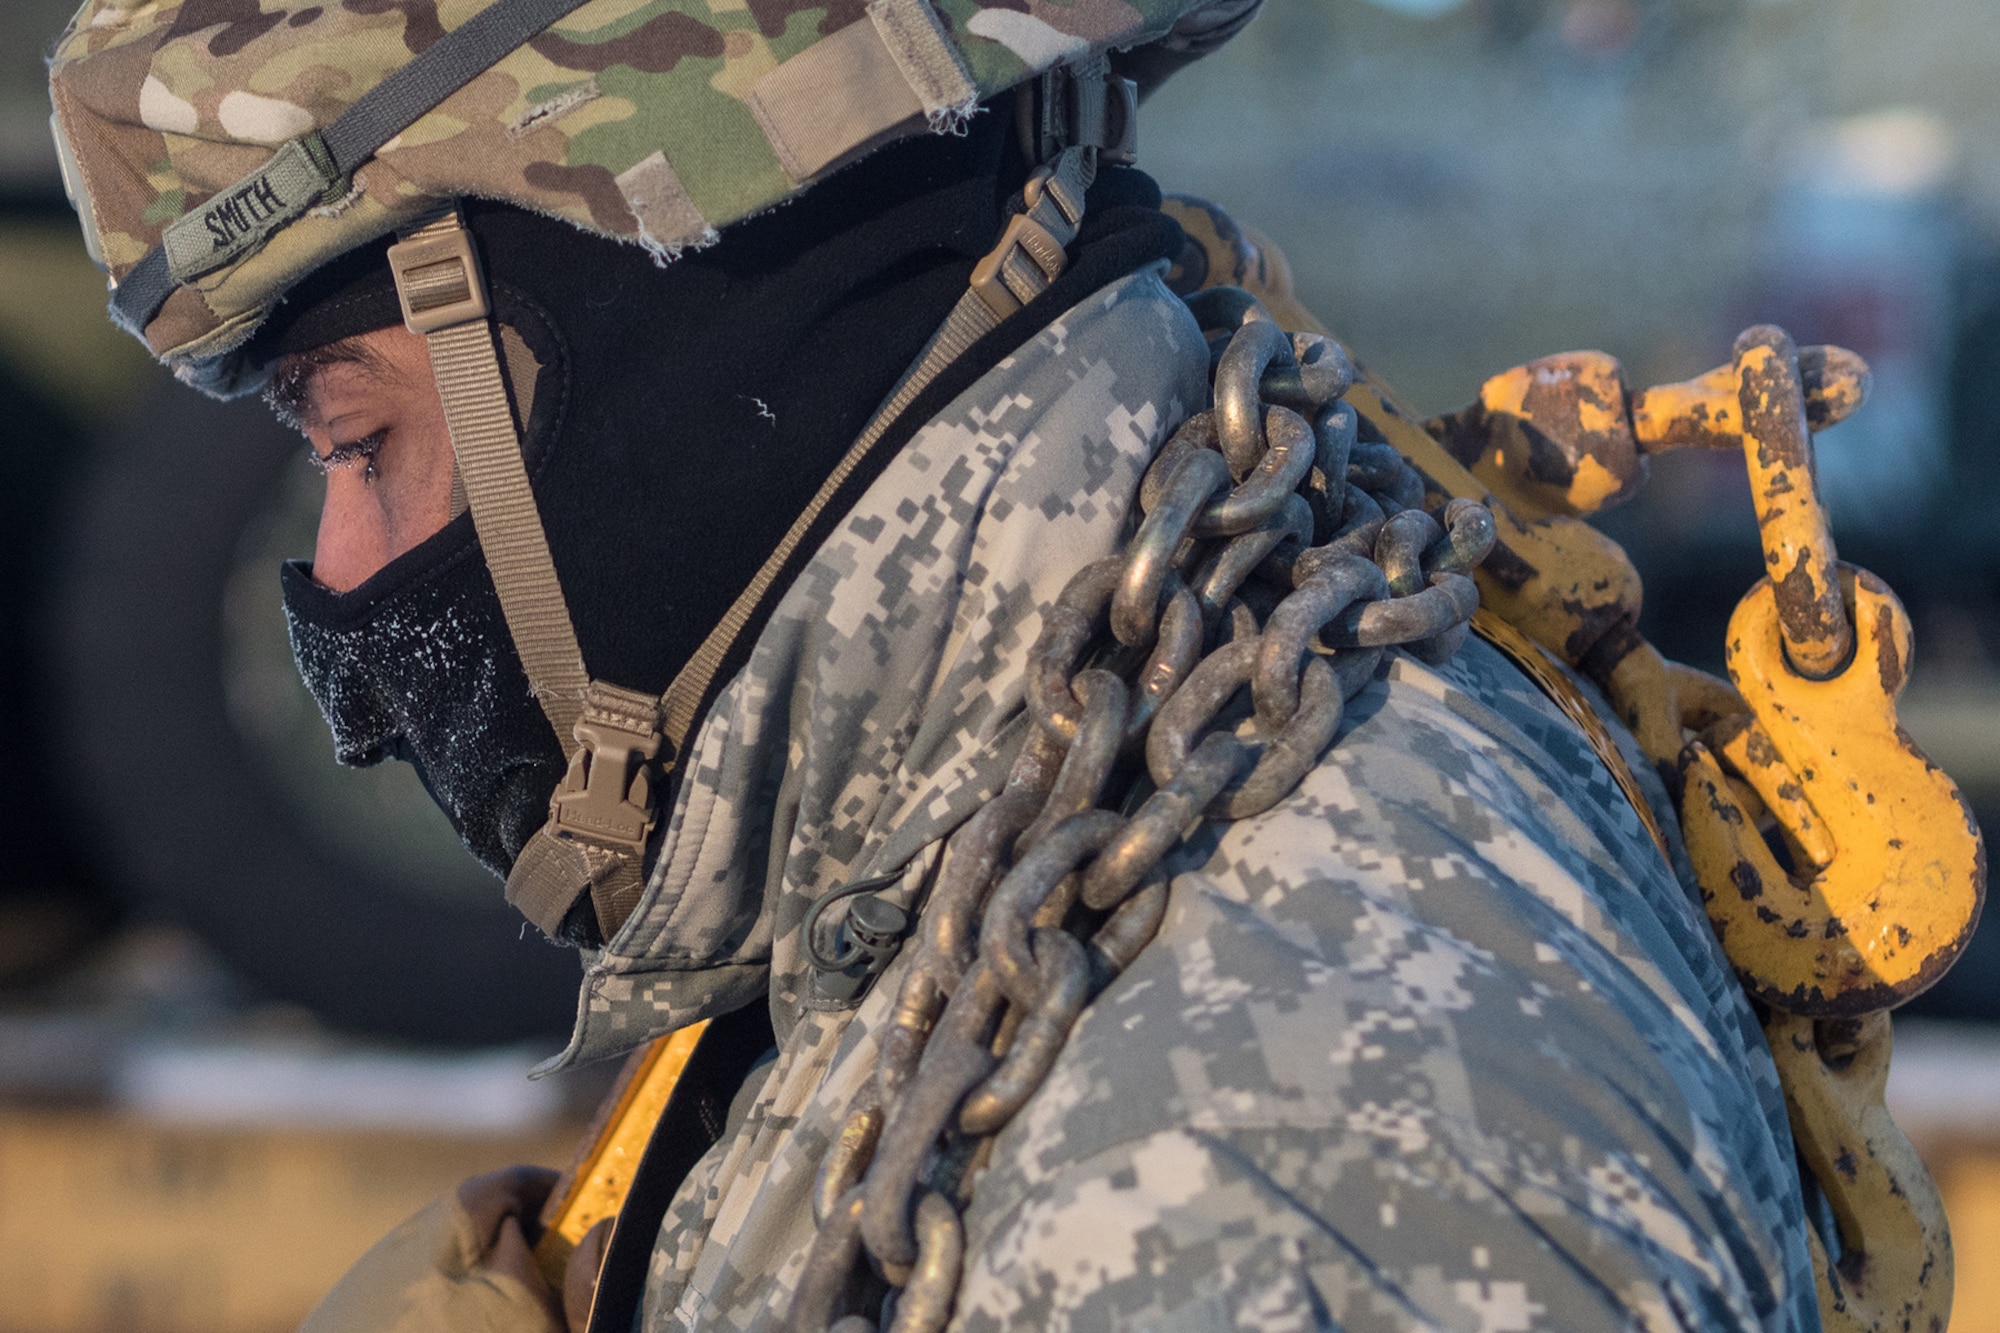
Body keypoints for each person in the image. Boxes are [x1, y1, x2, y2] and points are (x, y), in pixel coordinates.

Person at [48, 1, 1816, 1329]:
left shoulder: (1274, 1171)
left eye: (356, 444)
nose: (340, 588)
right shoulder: (947, 866)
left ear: (673, 332)